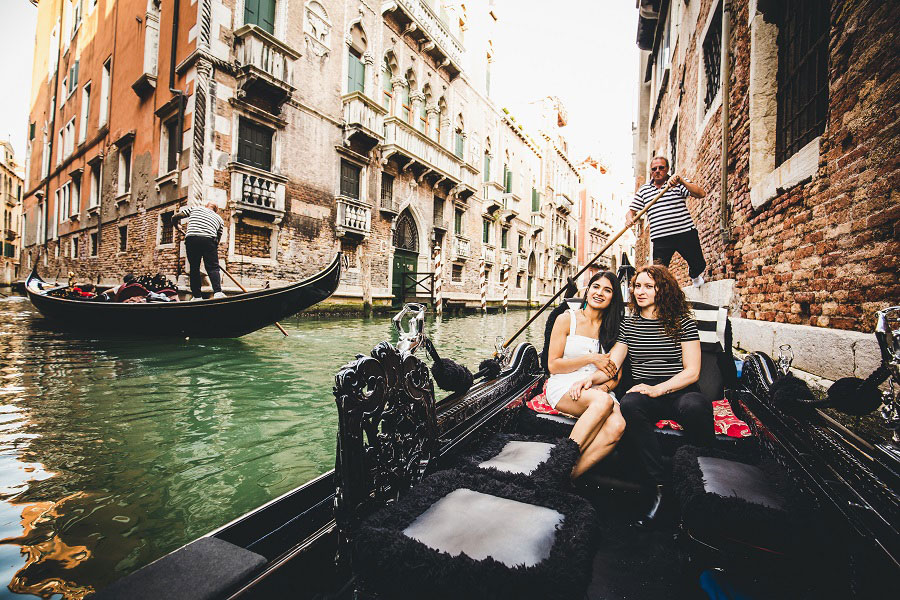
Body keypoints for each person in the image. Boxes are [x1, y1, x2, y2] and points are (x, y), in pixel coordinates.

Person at [605, 264, 712, 526]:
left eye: (648, 286)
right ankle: (660, 484)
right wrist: (590, 378)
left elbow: (693, 372)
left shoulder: (682, 321)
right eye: (637, 286)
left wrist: (659, 389)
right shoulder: (629, 323)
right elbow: (613, 363)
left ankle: (703, 484)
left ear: (661, 290)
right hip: (646, 392)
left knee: (697, 406)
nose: (640, 292)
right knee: (629, 404)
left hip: (679, 388)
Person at [545, 271, 627, 478]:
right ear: (587, 290)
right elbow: (553, 366)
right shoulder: (566, 319)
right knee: (601, 403)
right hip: (564, 384)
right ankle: (558, 466)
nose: (600, 293)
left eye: (607, 290)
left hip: (598, 388)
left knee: (618, 425)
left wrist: (601, 388)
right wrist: (591, 359)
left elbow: (616, 376)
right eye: (596, 287)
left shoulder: (616, 329)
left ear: (613, 297)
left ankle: (566, 477)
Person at [626, 156, 707, 287]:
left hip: (685, 233)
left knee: (699, 264)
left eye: (661, 168)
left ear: (667, 169)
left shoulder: (678, 183)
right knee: (658, 275)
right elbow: (631, 211)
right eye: (654, 169)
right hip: (661, 238)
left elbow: (701, 193)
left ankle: (694, 275)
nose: (657, 171)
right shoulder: (644, 190)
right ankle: (660, 300)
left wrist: (682, 181)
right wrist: (629, 219)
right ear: (651, 171)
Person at [171, 202, 226, 299]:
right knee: (213, 268)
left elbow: (175, 217)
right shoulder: (219, 219)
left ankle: (197, 296)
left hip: (192, 239)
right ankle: (218, 293)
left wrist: (177, 226)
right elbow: (218, 239)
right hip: (209, 240)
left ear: (206, 206)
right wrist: (212, 250)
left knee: (194, 268)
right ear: (215, 210)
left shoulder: (195, 209)